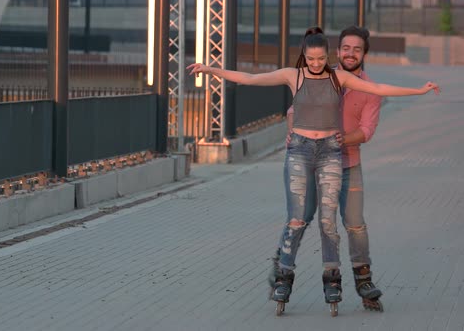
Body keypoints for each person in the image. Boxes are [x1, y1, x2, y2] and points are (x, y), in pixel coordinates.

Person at [187, 26, 440, 316]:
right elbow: (251, 78)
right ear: (307, 55)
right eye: (312, 58)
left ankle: (342, 280)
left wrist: (419, 89)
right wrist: (210, 69)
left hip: (336, 155)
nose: (317, 63)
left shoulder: (341, 78)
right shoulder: (296, 75)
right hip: (301, 152)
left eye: (322, 58)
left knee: (335, 222)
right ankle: (282, 275)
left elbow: (378, 94)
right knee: (297, 218)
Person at [286, 26, 385, 312]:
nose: (350, 53)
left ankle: (364, 282)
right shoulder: (318, 74)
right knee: (301, 217)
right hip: (311, 163)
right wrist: (292, 133)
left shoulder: (369, 90)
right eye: (346, 48)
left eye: (357, 49)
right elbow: (293, 111)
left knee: (354, 222)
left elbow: (367, 130)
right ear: (337, 51)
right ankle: (283, 275)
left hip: (348, 164)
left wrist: (344, 139)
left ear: (364, 53)